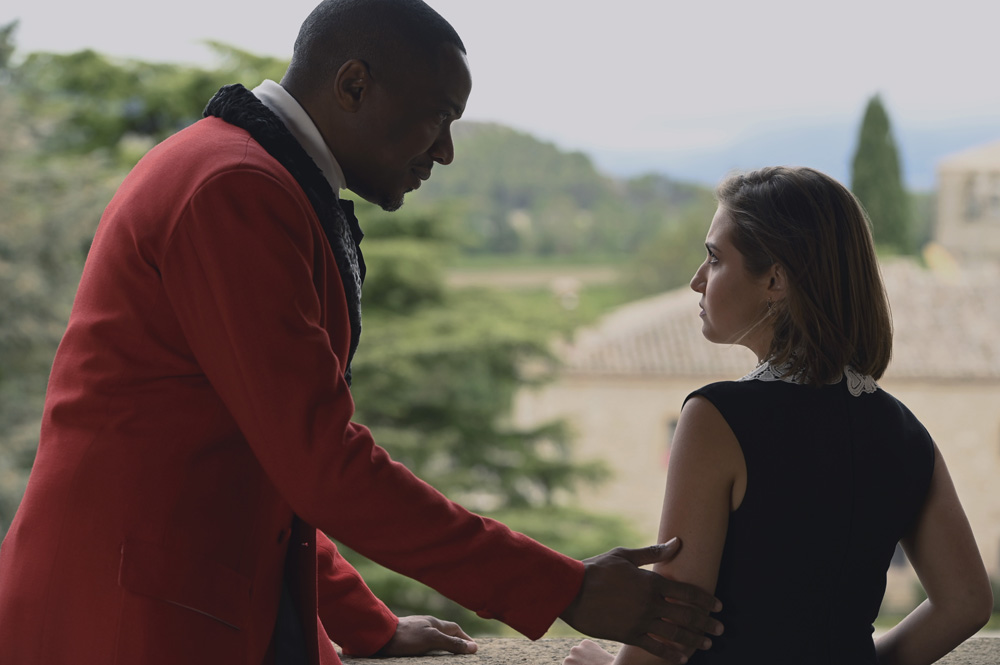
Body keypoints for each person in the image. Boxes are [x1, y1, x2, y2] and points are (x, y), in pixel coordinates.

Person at [0, 1, 724, 664]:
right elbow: (319, 461)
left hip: (179, 603)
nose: (445, 151)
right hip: (124, 622)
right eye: (438, 117)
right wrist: (562, 587)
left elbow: (271, 463)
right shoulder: (233, 189)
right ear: (353, 85)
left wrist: (366, 624)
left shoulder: (251, 175)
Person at [564, 166, 993, 665]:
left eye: (715, 258)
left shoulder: (716, 419)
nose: (697, 280)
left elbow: (670, 623)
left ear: (775, 279)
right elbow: (966, 603)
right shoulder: (903, 428)